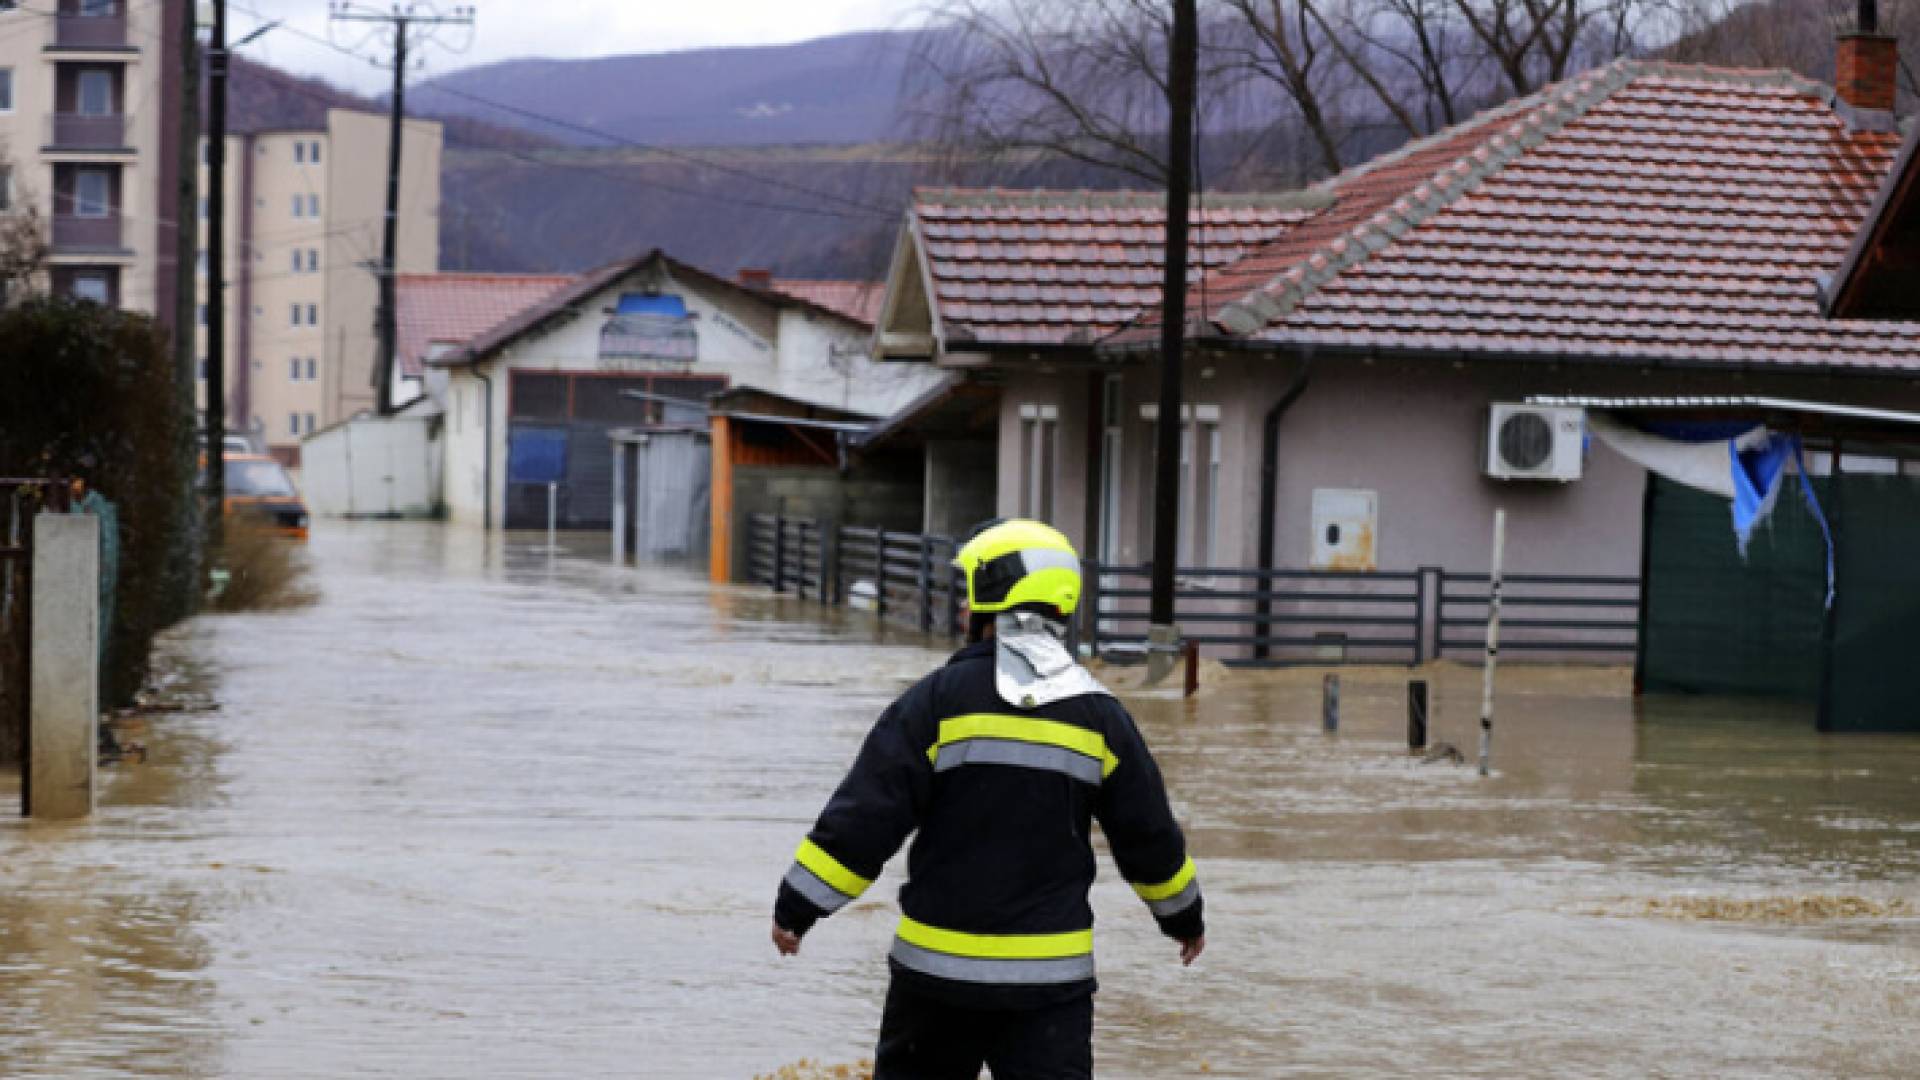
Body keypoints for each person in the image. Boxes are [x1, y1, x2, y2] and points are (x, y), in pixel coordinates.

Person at [771, 519, 1204, 1079]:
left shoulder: (934, 702)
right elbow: (1148, 838)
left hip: (934, 986)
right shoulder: (1101, 716)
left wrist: (797, 908)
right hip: (1049, 994)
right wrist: (1183, 918)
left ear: (988, 601)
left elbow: (866, 817)